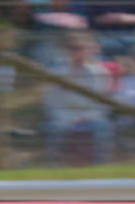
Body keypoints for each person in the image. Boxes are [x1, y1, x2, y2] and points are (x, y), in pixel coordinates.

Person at [43, 32, 115, 164]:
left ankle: (102, 168)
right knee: (54, 129)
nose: (77, 52)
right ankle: (53, 168)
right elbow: (51, 102)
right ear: (66, 50)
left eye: (80, 48)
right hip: (63, 118)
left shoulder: (100, 73)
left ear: (89, 50)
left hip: (92, 118)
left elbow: (102, 105)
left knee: (103, 128)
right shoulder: (56, 72)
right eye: (73, 48)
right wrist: (68, 120)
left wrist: (85, 119)